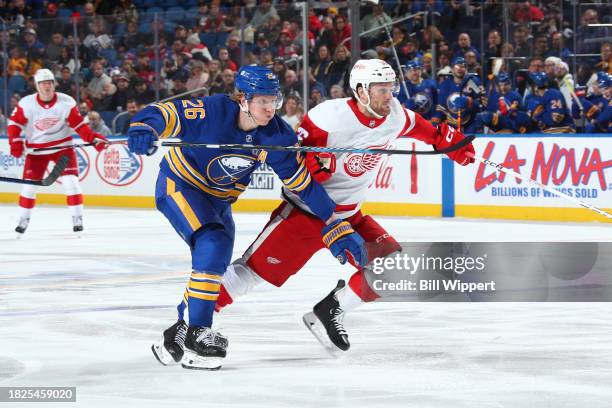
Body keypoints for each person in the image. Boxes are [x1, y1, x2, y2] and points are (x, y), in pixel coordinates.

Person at [152, 59, 475, 358]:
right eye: (382, 90)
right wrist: (314, 165)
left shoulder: (396, 116)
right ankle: (186, 326)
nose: (389, 96)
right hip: (304, 216)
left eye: (391, 88)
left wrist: (453, 143)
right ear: (361, 90)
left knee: (393, 267)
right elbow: (296, 164)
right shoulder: (328, 117)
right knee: (248, 275)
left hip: (349, 216)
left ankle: (331, 309)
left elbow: (430, 133)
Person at [127, 65, 367, 370]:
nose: (270, 109)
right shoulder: (210, 110)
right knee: (212, 244)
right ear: (243, 98)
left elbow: (303, 185)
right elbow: (162, 113)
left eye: (274, 101)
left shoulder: (276, 135)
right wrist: (144, 128)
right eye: (262, 101)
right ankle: (198, 336)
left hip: (219, 203)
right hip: (180, 186)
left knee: (214, 265)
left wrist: (335, 222)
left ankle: (179, 332)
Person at [7, 69, 109, 235]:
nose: (47, 86)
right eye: (43, 83)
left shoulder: (66, 102)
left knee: (71, 182)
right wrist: (16, 143)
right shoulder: (26, 103)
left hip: (62, 148)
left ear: (54, 84)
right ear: (37, 86)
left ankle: (77, 218)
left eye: (50, 83)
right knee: (29, 188)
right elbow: (14, 125)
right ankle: (24, 218)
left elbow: (78, 125)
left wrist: (92, 138)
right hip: (36, 150)